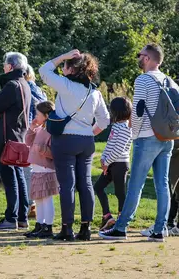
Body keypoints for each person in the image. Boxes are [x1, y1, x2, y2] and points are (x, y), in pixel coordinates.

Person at [100, 44, 179, 242]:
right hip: (167, 137)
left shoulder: (143, 79)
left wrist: (133, 133)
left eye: (140, 55)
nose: (138, 57)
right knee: (162, 184)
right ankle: (160, 229)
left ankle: (121, 228)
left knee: (136, 183)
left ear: (147, 58)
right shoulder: (171, 81)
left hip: (146, 136)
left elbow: (138, 111)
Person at [40, 50, 110, 241]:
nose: (63, 69)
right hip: (86, 141)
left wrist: (62, 56)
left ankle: (67, 228)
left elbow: (44, 70)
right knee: (86, 183)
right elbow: (104, 120)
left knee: (67, 185)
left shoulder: (65, 85)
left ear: (71, 69)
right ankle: (85, 228)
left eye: (65, 66)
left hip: (65, 140)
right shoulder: (94, 92)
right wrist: (89, 132)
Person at [0, 52, 32, 231]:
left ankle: (11, 218)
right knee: (18, 177)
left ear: (10, 66)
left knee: (10, 178)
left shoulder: (11, 85)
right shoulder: (25, 84)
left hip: (6, 139)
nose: (3, 67)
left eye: (5, 64)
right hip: (19, 136)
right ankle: (22, 217)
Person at [95, 97, 132, 232]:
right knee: (98, 187)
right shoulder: (116, 126)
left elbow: (118, 150)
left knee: (119, 192)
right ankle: (108, 217)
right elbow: (110, 145)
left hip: (120, 164)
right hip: (111, 164)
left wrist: (107, 162)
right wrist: (103, 159)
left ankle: (121, 222)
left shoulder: (126, 128)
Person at [24, 100, 58, 239]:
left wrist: (42, 150)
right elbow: (27, 141)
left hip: (46, 169)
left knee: (46, 198)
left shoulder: (51, 131)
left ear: (46, 115)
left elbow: (53, 152)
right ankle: (39, 224)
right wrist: (31, 128)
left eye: (38, 114)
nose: (36, 116)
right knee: (38, 198)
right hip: (37, 169)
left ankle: (48, 226)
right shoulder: (39, 129)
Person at [24, 59, 46, 218]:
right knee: (35, 170)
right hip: (42, 133)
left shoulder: (24, 89)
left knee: (26, 170)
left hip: (30, 132)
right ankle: (36, 204)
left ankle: (29, 205)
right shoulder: (39, 90)